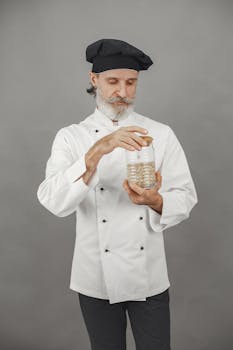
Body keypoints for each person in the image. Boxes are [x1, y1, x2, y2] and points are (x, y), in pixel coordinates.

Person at [37, 38, 198, 350]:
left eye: (131, 83)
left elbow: (186, 195)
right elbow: (53, 201)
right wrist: (97, 151)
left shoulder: (161, 134)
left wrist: (156, 200)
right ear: (94, 80)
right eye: (113, 81)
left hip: (148, 275)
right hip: (95, 276)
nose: (122, 93)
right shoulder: (71, 137)